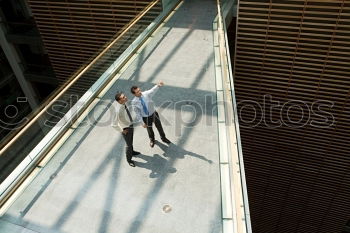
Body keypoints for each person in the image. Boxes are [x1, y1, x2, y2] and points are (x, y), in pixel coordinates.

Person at [131, 81, 171, 148]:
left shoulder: (145, 94)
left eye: (139, 90)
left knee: (159, 127)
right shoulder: (134, 102)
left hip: (153, 114)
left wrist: (158, 85)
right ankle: (152, 140)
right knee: (149, 129)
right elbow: (137, 113)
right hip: (145, 117)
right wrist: (141, 122)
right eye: (137, 92)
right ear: (134, 94)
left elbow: (152, 90)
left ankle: (163, 138)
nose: (140, 92)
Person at [112, 92, 140, 167]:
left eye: (125, 96)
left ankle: (132, 152)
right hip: (126, 128)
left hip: (130, 125)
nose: (126, 97)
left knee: (131, 141)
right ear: (119, 100)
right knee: (128, 145)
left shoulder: (123, 103)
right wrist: (122, 130)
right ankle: (129, 160)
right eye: (123, 97)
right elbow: (113, 124)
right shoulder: (117, 110)